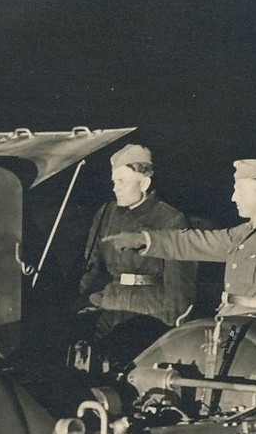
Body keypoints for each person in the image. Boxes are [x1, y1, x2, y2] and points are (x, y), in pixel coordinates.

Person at [108, 158, 256, 319]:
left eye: (240, 190)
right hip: (228, 322)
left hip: (250, 336)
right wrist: (145, 240)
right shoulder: (242, 234)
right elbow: (195, 242)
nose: (233, 198)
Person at [76, 143, 197, 363]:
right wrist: (82, 300)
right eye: (114, 181)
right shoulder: (106, 213)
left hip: (150, 311)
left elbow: (180, 284)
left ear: (144, 183)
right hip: (109, 303)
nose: (115, 188)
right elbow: (92, 266)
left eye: (122, 181)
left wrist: (175, 324)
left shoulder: (171, 219)